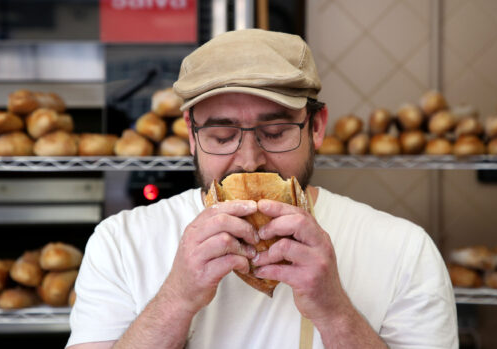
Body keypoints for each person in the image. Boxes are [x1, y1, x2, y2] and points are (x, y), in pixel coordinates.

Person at [67, 29, 457, 349]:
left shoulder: (405, 249)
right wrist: (177, 298)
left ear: (316, 127)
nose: (249, 160)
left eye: (275, 132)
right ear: (190, 134)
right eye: (221, 136)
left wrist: (335, 311)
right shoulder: (120, 242)